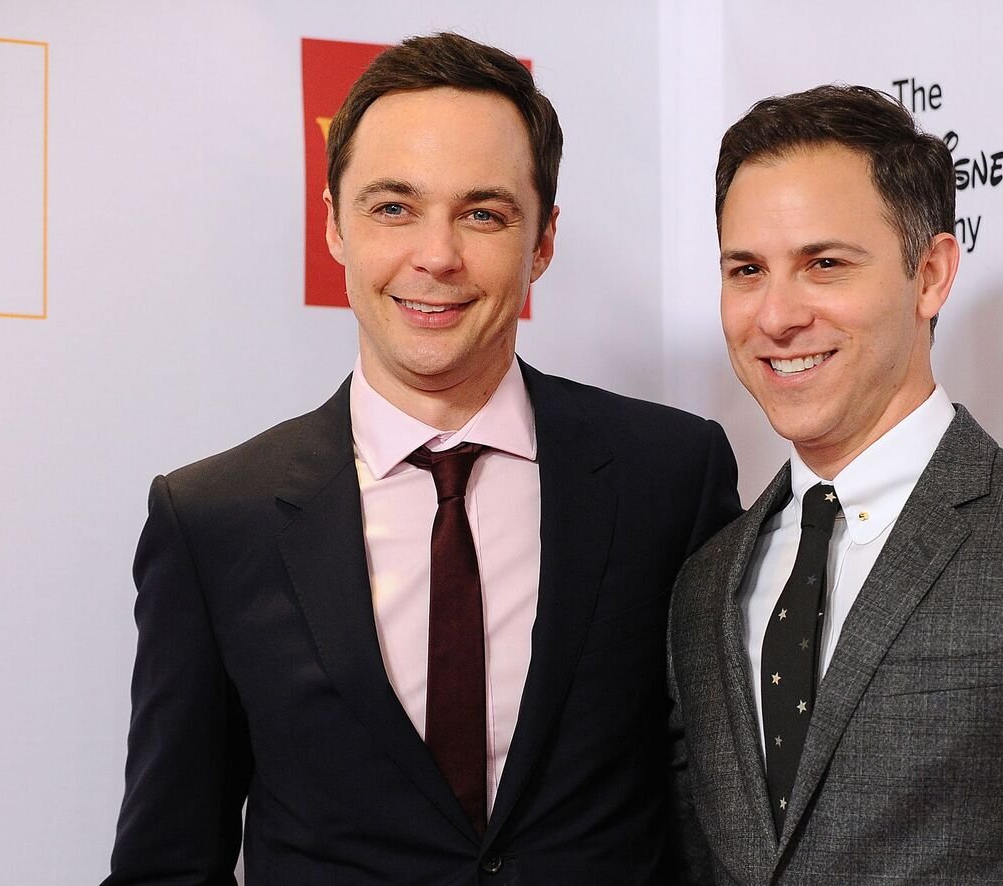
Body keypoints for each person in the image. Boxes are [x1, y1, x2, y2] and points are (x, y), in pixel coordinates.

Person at [104, 33, 740, 884]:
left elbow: (720, 817)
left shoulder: (672, 475)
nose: (436, 256)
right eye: (393, 208)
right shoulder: (214, 519)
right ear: (332, 224)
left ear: (542, 243)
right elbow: (168, 862)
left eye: (483, 213)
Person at [667, 84, 1003, 884]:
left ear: (930, 274)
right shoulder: (705, 585)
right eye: (746, 270)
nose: (776, 315)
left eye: (824, 264)